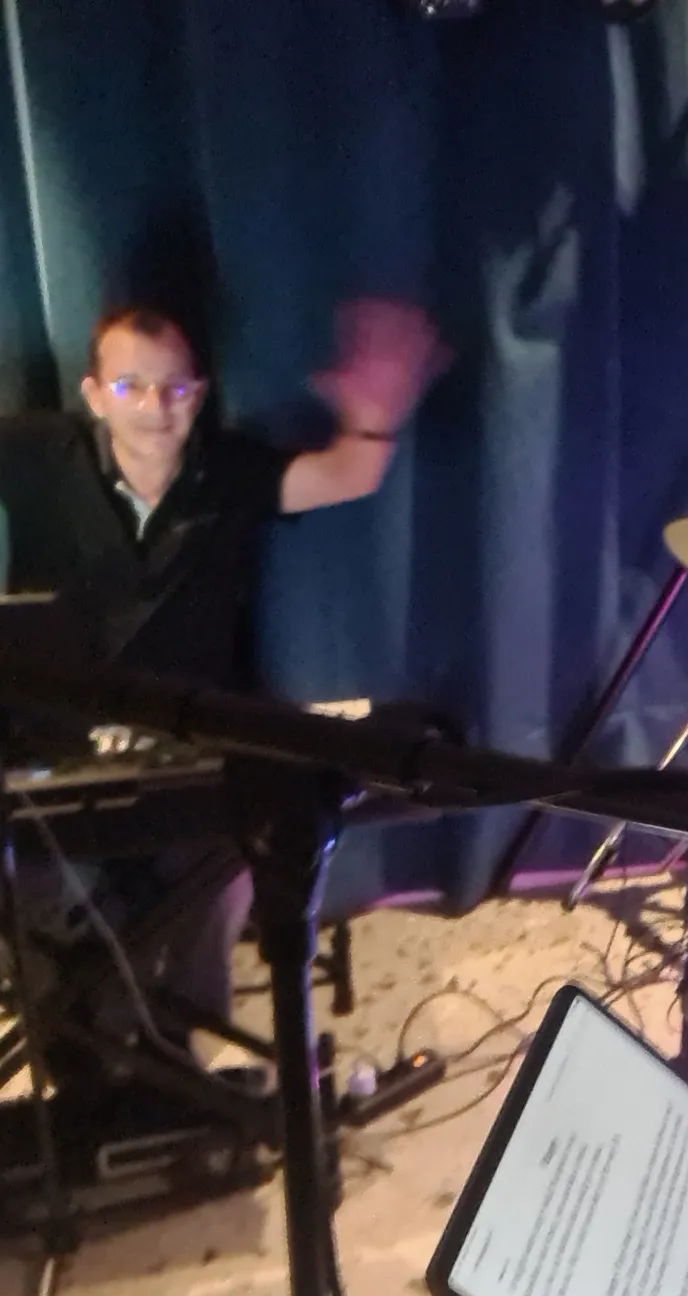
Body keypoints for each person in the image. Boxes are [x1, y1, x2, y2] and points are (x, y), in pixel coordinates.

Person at [0, 297, 444, 1078]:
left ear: (199, 394)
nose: (155, 408)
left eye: (174, 389)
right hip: (59, 745)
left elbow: (347, 473)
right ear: (95, 395)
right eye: (131, 387)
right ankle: (84, 1056)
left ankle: (185, 1052)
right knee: (35, 878)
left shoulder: (228, 471)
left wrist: (372, 411)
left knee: (220, 865)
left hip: (190, 740)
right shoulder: (37, 457)